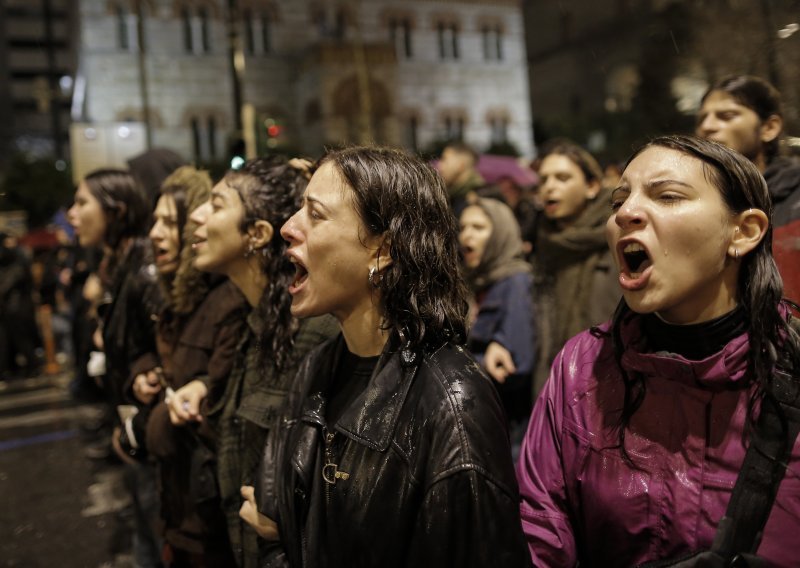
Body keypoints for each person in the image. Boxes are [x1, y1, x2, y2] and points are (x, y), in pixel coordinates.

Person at [516, 135, 800, 566]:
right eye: (619, 201)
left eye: (667, 196)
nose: (626, 212)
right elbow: (539, 529)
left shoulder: (792, 369)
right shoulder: (581, 368)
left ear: (743, 231)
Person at [256, 146, 530, 567]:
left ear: (382, 250)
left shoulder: (453, 405)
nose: (288, 228)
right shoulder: (316, 367)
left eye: (315, 214)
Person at [165, 157, 337, 568]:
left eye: (217, 205)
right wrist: (206, 385)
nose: (197, 217)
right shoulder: (254, 321)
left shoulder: (314, 333)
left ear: (257, 234)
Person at [130, 166, 248, 566]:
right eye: (155, 220)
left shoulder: (228, 301)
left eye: (169, 221)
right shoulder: (176, 302)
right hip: (180, 508)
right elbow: (159, 359)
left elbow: (213, 410)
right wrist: (145, 375)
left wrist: (144, 426)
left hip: (208, 518)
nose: (156, 233)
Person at [67, 168, 164, 567]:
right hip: (133, 424)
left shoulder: (144, 269)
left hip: (152, 432)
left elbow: (164, 350)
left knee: (157, 540)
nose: (72, 214)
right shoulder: (121, 265)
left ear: (117, 210)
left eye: (82, 202)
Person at [696, 75, 800, 304]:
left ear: (769, 128)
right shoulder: (701, 204)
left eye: (726, 116)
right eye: (702, 118)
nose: (707, 127)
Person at [531, 141, 619, 396]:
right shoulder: (545, 242)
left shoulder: (616, 237)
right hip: (553, 383)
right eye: (544, 179)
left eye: (562, 178)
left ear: (591, 186)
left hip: (608, 383)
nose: (549, 187)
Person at [459, 197, 535, 451]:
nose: (467, 236)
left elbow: (516, 364)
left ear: (501, 233)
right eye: (463, 228)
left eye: (478, 228)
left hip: (507, 431)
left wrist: (471, 360)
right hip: (476, 422)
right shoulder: (474, 283)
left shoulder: (515, 281)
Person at [437, 141, 487, 218]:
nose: (439, 166)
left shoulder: (481, 198)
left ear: (461, 165)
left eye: (444, 159)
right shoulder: (449, 195)